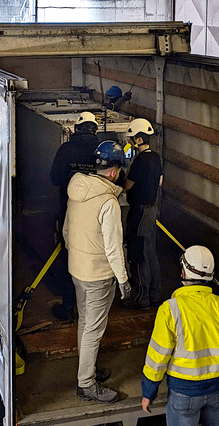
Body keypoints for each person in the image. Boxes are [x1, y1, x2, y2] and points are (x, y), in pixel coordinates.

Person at [141, 246, 219, 426]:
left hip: (185, 392)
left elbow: (157, 359)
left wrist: (149, 392)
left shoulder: (170, 309)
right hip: (218, 387)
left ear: (183, 272)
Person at [62, 140, 131, 403]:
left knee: (84, 323)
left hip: (77, 269)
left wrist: (76, 255)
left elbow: (67, 231)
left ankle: (87, 371)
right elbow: (114, 248)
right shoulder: (108, 202)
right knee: (94, 329)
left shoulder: (76, 190)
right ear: (114, 172)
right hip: (99, 276)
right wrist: (123, 280)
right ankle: (86, 384)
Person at [48, 111, 100, 322]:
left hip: (71, 210)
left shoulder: (66, 149)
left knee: (69, 255)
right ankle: (93, 309)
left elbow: (55, 178)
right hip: (98, 212)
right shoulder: (101, 149)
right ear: (94, 129)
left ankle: (69, 307)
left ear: (77, 129)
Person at [123, 118, 163, 310]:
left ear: (139, 139)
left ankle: (141, 299)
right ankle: (155, 295)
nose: (130, 142)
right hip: (152, 209)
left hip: (139, 212)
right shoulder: (156, 158)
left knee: (139, 255)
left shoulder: (140, 162)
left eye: (131, 139)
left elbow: (126, 186)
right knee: (150, 253)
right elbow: (160, 182)